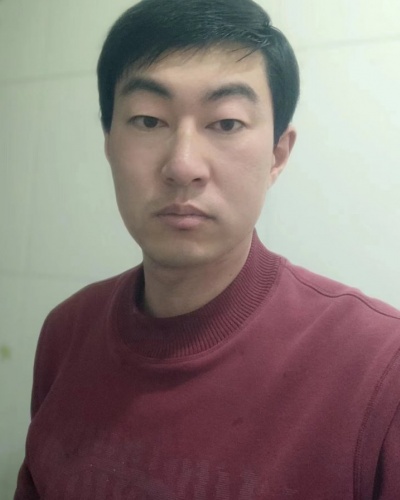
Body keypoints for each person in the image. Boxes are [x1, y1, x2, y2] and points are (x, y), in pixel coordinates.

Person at [15, 0, 400, 498]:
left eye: (226, 123)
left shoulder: (380, 369)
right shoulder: (66, 332)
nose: (183, 166)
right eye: (148, 120)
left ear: (278, 154)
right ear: (109, 143)